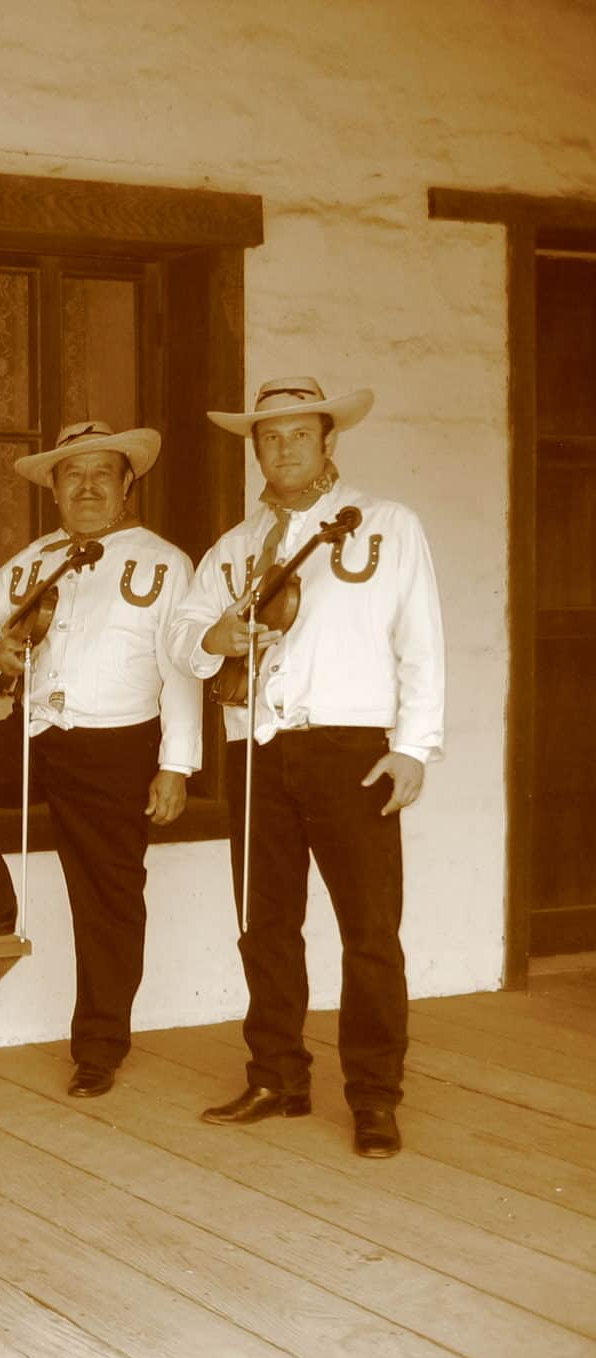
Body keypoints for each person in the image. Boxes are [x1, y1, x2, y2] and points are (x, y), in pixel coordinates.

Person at [169, 377, 444, 1159]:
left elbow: (420, 640)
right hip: (255, 751)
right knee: (264, 927)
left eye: (298, 433)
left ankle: (375, 1096)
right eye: (269, 436)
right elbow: (182, 634)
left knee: (370, 932)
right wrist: (215, 639)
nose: (283, 447)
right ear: (255, 449)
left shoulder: (385, 525)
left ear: (329, 441)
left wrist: (413, 745)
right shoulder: (234, 547)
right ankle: (277, 1076)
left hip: (350, 749)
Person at [0, 421, 200, 1099]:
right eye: (73, 474)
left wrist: (176, 765)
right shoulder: (36, 560)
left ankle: (99, 1047)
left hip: (116, 747)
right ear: (55, 489)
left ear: (127, 484)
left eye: (102, 473)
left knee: (106, 905)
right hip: (38, 735)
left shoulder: (163, 563)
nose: (88, 486)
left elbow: (181, 672)